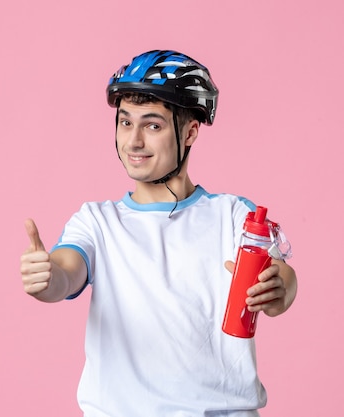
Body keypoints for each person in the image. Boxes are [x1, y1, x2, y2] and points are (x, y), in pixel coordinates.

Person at [19, 50, 298, 416]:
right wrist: (48, 277)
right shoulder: (97, 222)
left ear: (190, 132)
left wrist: (279, 287)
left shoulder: (233, 216)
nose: (133, 141)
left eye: (152, 125)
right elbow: (67, 271)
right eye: (125, 123)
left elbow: (281, 277)